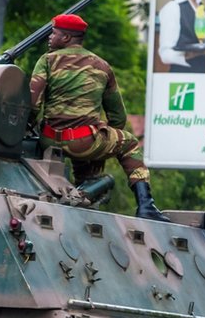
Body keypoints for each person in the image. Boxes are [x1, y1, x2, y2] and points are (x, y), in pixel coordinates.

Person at [29, 14, 170, 222]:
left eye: (54, 33)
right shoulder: (102, 66)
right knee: (130, 143)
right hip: (85, 142)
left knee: (84, 164)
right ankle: (146, 206)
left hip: (49, 141)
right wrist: (102, 146)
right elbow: (118, 117)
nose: (50, 37)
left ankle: (79, 197)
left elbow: (33, 105)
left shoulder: (47, 61)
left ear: (66, 38)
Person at [158, 0, 205, 73]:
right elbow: (165, 55)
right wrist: (192, 54)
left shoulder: (201, 7)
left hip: (202, 74)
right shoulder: (172, 8)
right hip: (181, 81)